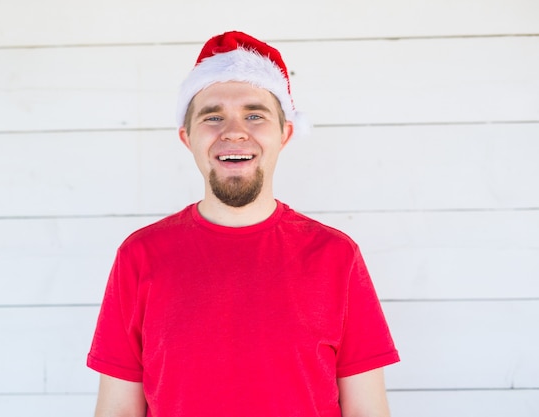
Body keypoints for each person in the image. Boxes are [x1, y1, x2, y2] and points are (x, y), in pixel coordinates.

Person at [87, 31, 400, 417]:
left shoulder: (336, 256)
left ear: (285, 133)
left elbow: (368, 409)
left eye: (254, 114)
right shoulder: (140, 255)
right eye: (213, 116)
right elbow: (116, 409)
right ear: (187, 138)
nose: (234, 131)